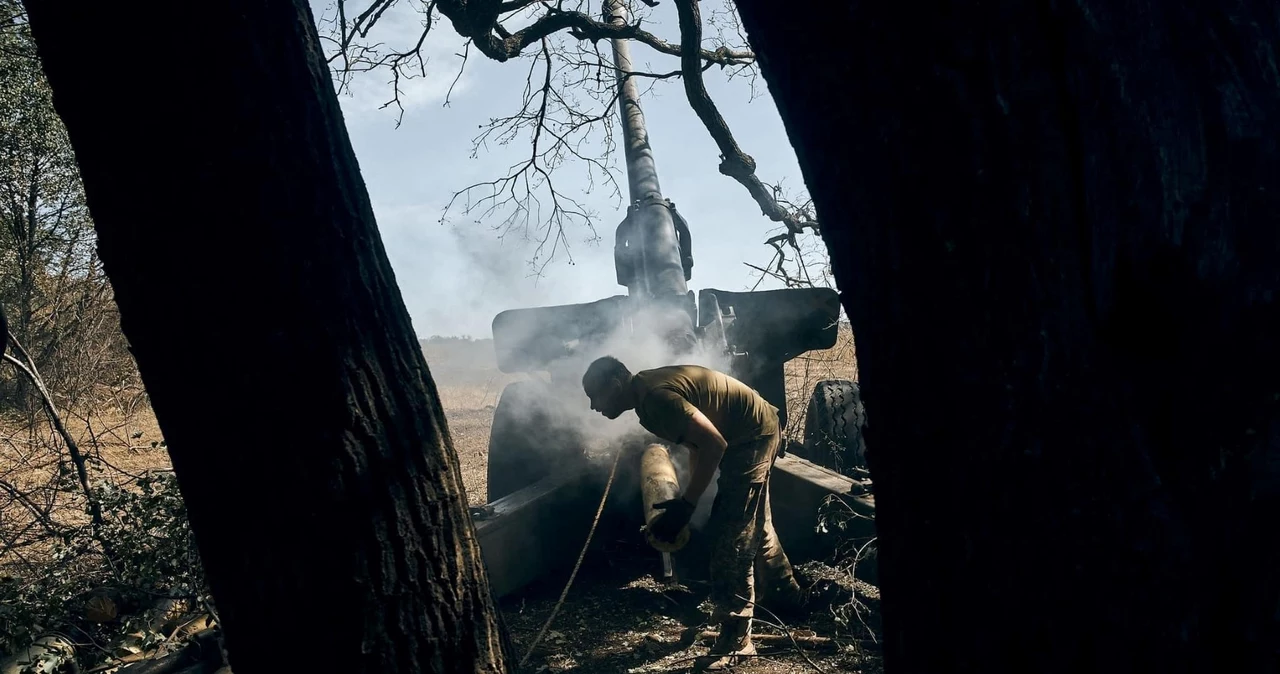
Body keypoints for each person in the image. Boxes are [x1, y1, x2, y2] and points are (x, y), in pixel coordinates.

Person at [582, 355, 807, 671]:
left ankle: (738, 642)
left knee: (733, 540)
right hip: (755, 427)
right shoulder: (645, 394)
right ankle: (786, 592)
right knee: (754, 523)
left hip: (752, 436)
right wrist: (690, 502)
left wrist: (686, 506)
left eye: (595, 396)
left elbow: (714, 443)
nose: (593, 406)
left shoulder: (655, 398)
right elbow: (697, 445)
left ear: (615, 384)